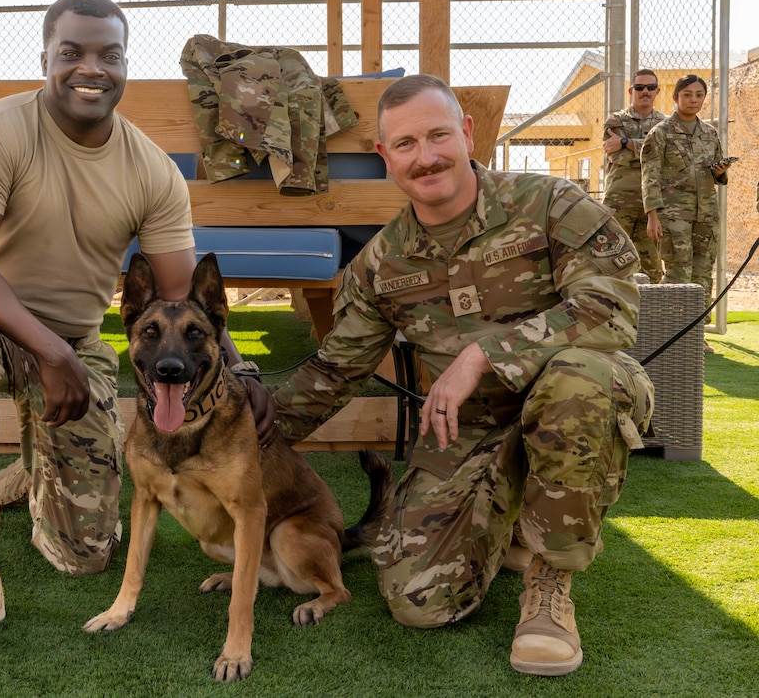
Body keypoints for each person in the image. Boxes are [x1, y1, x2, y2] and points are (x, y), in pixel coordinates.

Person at [0, 0, 261, 665]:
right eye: (72, 53)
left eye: (108, 54)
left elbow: (183, 301)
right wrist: (48, 349)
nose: (89, 68)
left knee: (86, 556)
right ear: (47, 58)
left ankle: (27, 473)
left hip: (74, 341)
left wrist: (238, 371)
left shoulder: (151, 169)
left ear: (125, 65)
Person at [264, 75, 654, 677]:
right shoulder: (380, 263)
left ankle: (550, 586)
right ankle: (510, 524)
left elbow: (612, 305)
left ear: (466, 133)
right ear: (386, 157)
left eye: (438, 135)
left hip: (575, 399)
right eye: (407, 144)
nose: (426, 157)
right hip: (469, 434)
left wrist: (483, 354)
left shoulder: (549, 203)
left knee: (579, 379)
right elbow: (335, 368)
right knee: (418, 602)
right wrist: (242, 422)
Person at [641, 74, 733, 343]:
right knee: (678, 273)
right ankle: (668, 335)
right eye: (687, 95)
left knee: (703, 274)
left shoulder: (709, 133)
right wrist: (652, 216)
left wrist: (721, 172)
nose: (693, 100)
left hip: (706, 214)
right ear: (676, 97)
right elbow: (650, 176)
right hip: (673, 216)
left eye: (699, 95)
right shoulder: (660, 133)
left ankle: (695, 336)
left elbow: (717, 174)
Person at [602, 69, 667, 282]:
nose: (645, 91)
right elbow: (619, 157)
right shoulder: (615, 121)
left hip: (651, 207)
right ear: (631, 90)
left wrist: (625, 142)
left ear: (657, 91)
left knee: (652, 267)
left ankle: (651, 313)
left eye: (650, 87)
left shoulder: (665, 124)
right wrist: (649, 150)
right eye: (640, 87)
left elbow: (665, 158)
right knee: (612, 264)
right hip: (619, 203)